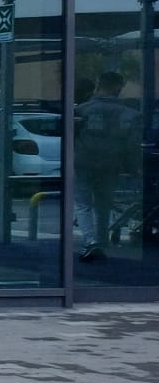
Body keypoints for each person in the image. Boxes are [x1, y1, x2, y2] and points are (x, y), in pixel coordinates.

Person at [75, 71, 138, 261]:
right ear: (119, 87)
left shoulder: (82, 110)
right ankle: (101, 241)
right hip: (111, 163)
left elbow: (71, 136)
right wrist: (134, 166)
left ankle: (90, 241)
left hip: (83, 162)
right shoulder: (130, 114)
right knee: (103, 205)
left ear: (98, 84)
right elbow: (132, 145)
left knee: (83, 203)